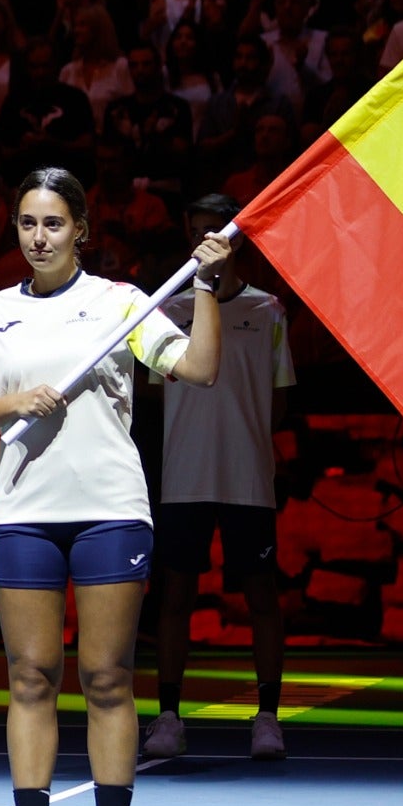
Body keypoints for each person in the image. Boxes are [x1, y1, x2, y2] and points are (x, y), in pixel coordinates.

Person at [0, 168, 228, 806]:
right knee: (31, 677)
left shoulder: (121, 304)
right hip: (24, 515)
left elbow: (197, 366)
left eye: (55, 224)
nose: (40, 237)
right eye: (29, 224)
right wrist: (13, 401)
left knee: (106, 676)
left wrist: (207, 289)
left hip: (109, 509)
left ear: (82, 232)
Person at [142, 194, 296, 762]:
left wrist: (243, 440)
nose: (208, 238)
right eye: (199, 228)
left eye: (218, 229)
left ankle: (267, 718)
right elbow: (158, 397)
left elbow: (279, 403)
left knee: (260, 597)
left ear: (238, 238)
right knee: (176, 596)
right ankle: (168, 718)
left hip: (248, 480)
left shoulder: (269, 310)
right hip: (184, 478)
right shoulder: (168, 311)